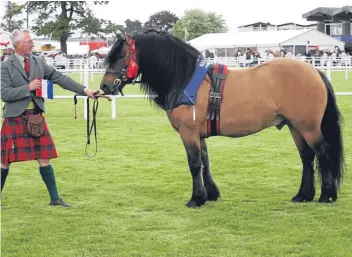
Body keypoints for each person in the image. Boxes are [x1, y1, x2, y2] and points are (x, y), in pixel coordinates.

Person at [1, 29, 97, 207]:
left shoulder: (38, 62)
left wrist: (85, 90)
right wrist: (28, 87)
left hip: (36, 117)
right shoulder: (5, 66)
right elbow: (4, 94)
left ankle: (55, 199)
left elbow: (59, 77)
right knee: (4, 161)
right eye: (29, 41)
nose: (33, 44)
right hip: (14, 118)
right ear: (19, 44)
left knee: (44, 157)